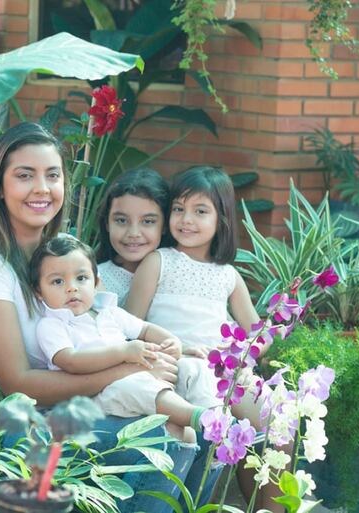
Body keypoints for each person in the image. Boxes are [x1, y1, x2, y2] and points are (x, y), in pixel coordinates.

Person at [0, 122, 217, 512]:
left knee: (203, 423)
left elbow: (101, 329)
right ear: (0, 187)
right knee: (164, 436)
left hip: (64, 408)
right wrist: (126, 368)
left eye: (52, 175)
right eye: (25, 176)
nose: (42, 188)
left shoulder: (58, 255)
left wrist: (162, 352)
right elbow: (17, 384)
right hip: (3, 428)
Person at [125, 165, 284, 512]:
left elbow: (260, 333)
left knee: (279, 421)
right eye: (179, 209)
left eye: (200, 211)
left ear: (221, 219)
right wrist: (172, 351)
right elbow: (129, 325)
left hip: (223, 371)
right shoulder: (158, 262)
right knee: (212, 431)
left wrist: (239, 354)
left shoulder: (228, 275)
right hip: (177, 367)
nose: (186, 220)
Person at [30, 236, 221, 441]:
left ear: (96, 283)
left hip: (140, 377)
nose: (72, 288)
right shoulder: (52, 325)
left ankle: (218, 418)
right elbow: (71, 361)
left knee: (193, 367)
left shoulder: (110, 313)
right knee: (135, 386)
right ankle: (199, 418)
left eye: (81, 278)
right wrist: (124, 352)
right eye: (58, 281)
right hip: (96, 396)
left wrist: (173, 342)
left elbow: (145, 329)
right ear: (39, 291)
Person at [96, 167, 171, 306]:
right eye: (121, 220)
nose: (133, 233)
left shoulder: (176, 277)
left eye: (148, 221)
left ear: (165, 225)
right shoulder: (93, 279)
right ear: (107, 223)